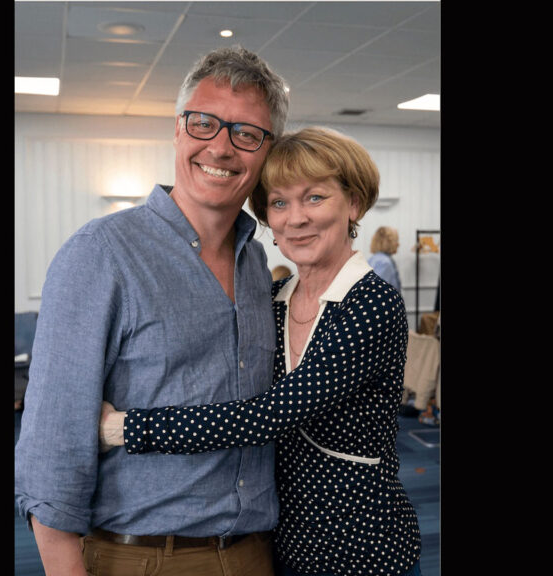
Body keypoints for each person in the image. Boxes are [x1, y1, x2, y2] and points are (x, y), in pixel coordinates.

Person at [15, 45, 290, 576]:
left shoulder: (257, 261)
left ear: (265, 151)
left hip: (255, 552)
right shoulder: (101, 253)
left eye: (246, 133)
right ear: (178, 130)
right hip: (139, 557)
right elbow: (53, 442)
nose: (222, 147)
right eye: (204, 122)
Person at [101, 127, 423, 576]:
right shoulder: (273, 299)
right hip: (281, 546)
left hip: (362, 550)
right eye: (279, 202)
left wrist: (126, 428)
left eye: (314, 197)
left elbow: (269, 414)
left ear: (353, 204)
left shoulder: (372, 304)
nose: (296, 218)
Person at [367, 226, 402, 293]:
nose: (398, 244)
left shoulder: (373, 259)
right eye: (396, 240)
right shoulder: (384, 263)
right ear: (388, 242)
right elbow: (378, 292)